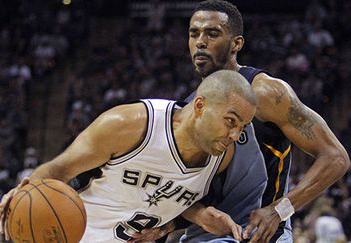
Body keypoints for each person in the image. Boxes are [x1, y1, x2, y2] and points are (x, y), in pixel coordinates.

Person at [131, 1, 350, 242]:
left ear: (237, 44)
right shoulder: (191, 106)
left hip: (262, 235)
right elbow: (195, 192)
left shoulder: (265, 92)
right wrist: (172, 222)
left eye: (212, 33)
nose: (200, 41)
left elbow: (336, 157)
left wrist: (279, 210)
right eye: (194, 33)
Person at [0, 70, 257, 242]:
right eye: (230, 121)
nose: (235, 134)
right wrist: (24, 191)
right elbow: (57, 170)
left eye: (241, 127)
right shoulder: (129, 125)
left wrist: (195, 217)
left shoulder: (220, 156)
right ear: (200, 105)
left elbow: (169, 192)